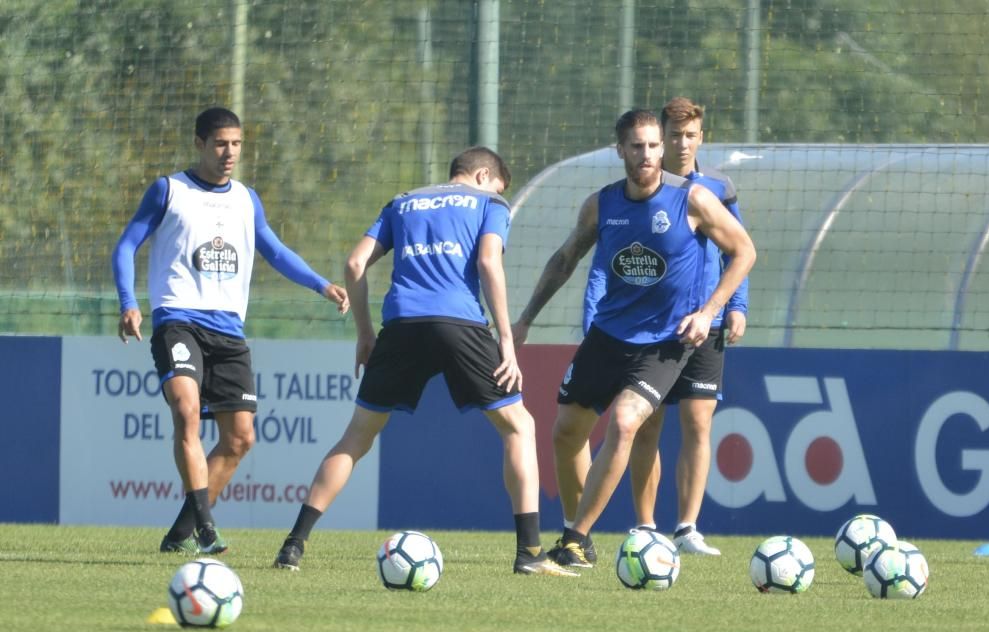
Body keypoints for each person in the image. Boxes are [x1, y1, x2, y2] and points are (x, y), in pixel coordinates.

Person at [272, 146, 577, 577]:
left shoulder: (403, 201)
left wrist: (364, 334)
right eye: (498, 184)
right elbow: (489, 261)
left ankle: (293, 545)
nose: (499, 192)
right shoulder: (489, 203)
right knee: (520, 427)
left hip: (401, 325)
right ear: (483, 175)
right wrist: (507, 340)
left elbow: (354, 263)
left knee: (355, 439)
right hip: (460, 323)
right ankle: (529, 553)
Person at [511, 109, 755, 568]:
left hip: (667, 341)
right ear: (619, 150)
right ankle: (576, 531)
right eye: (637, 146)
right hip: (608, 336)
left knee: (626, 423)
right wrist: (525, 318)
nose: (647, 154)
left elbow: (744, 251)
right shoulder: (601, 205)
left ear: (662, 148)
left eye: (653, 145)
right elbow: (564, 260)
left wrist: (711, 312)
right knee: (566, 433)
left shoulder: (694, 200)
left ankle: (577, 538)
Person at [113, 107, 350, 555]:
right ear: (200, 143)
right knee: (186, 411)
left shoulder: (246, 198)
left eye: (236, 144)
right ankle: (206, 528)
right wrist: (129, 304)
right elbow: (126, 245)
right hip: (178, 319)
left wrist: (321, 285)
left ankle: (179, 534)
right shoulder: (169, 190)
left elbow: (275, 251)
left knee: (240, 438)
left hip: (228, 331)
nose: (229, 153)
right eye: (220, 143)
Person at [582, 97, 750, 557]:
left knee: (698, 421)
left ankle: (687, 527)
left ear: (701, 138)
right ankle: (644, 524)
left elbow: (739, 248)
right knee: (645, 423)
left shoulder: (716, 187)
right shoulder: (640, 191)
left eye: (688, 135)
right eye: (671, 136)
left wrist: (734, 306)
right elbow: (602, 260)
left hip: (704, 323)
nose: (679, 144)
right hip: (654, 327)